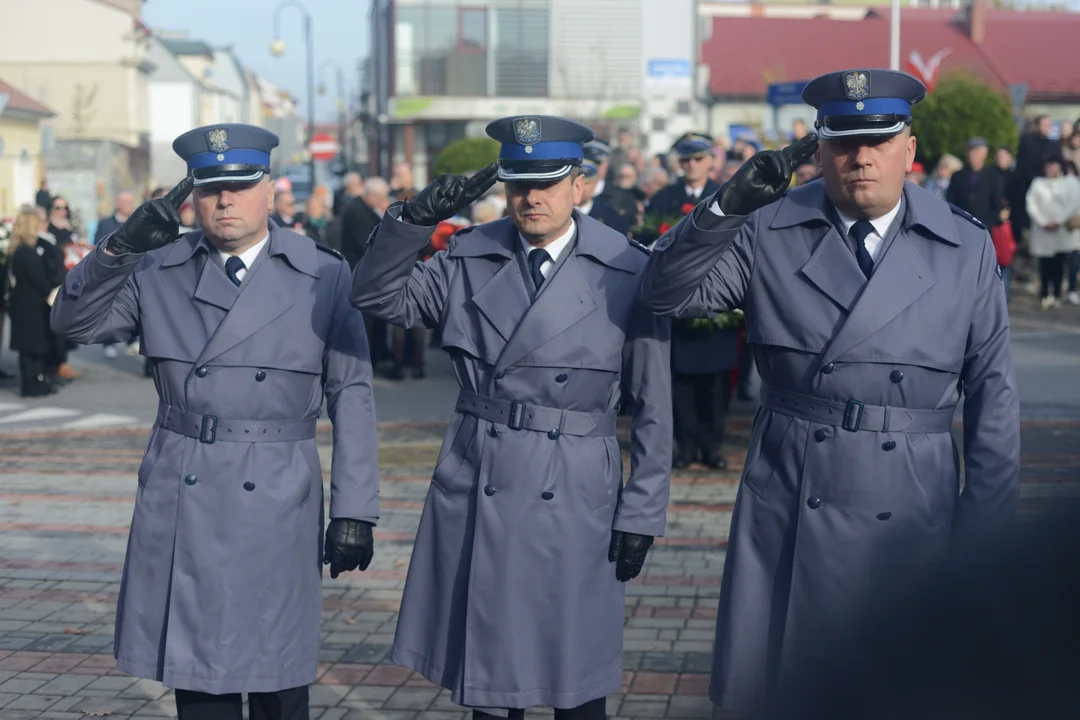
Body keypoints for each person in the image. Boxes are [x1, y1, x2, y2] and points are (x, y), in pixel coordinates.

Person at [637, 69, 1020, 718]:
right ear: (819, 151)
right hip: (791, 498)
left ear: (909, 148)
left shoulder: (964, 245)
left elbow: (993, 399)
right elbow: (661, 293)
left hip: (914, 505)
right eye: (842, 141)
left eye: (878, 140)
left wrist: (982, 542)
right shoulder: (768, 230)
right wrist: (726, 207)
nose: (861, 156)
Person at [50, 123, 380, 720]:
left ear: (270, 189)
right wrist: (118, 249)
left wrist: (356, 509)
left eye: (239, 186)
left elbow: (352, 393)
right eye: (210, 189)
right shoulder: (157, 271)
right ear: (192, 197)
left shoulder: (322, 273)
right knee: (200, 680)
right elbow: (72, 326)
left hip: (279, 492)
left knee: (279, 681)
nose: (225, 201)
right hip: (186, 490)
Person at [351, 115, 672, 720]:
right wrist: (411, 223)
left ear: (580, 185)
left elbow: (654, 404)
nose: (531, 196)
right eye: (518, 181)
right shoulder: (469, 255)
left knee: (575, 682)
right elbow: (375, 296)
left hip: (577, 486)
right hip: (482, 473)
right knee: (492, 681)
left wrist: (644, 507)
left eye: (547, 181)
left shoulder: (628, 267)